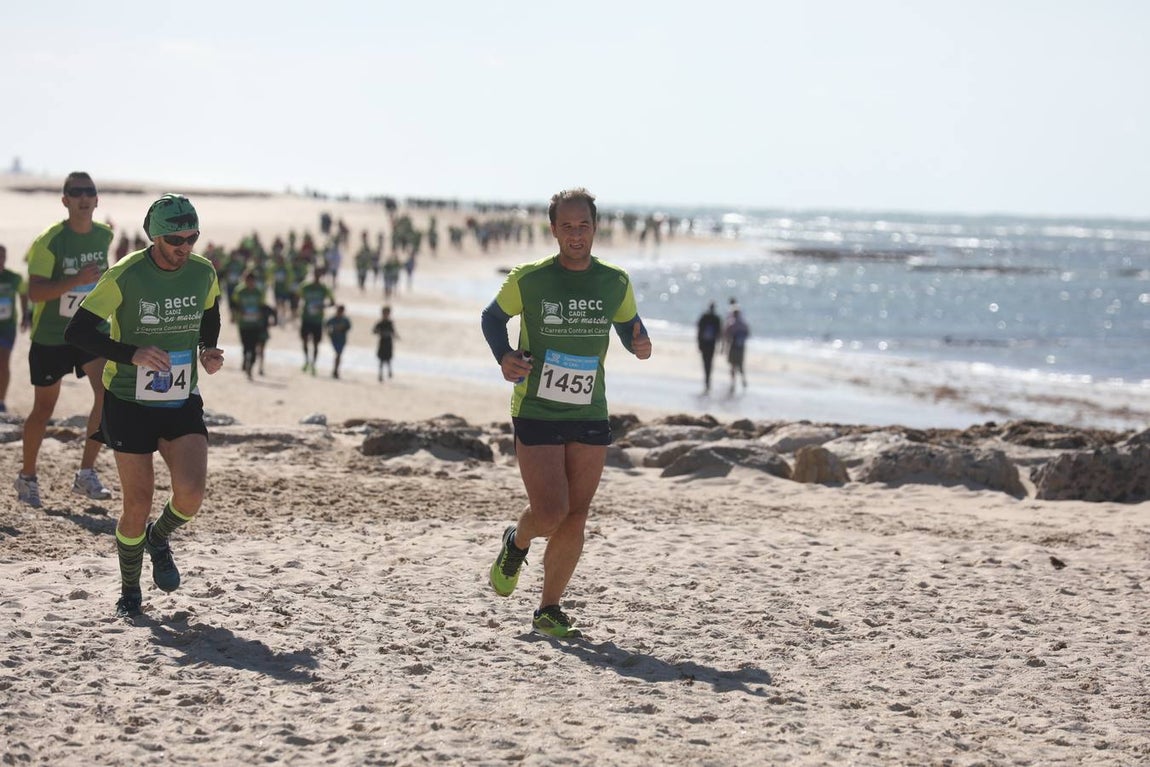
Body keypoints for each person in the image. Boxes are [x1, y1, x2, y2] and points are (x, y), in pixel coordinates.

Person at [480, 187, 652, 639]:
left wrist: (640, 341)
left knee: (577, 513)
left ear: (595, 228)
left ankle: (548, 609)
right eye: (567, 226)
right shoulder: (530, 279)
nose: (576, 235)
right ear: (554, 229)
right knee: (551, 511)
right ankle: (516, 542)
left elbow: (627, 323)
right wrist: (504, 356)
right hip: (536, 405)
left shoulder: (615, 281)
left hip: (589, 407)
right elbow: (491, 318)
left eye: (584, 225)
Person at [64, 193, 224, 618]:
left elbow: (210, 312)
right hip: (129, 402)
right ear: (155, 236)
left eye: (192, 237)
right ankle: (130, 589)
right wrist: (129, 353)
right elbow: (78, 331)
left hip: (180, 397)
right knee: (137, 504)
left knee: (190, 494)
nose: (184, 247)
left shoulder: (203, 271)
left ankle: (158, 538)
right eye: (175, 238)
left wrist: (208, 349)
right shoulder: (126, 274)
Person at [15, 171, 114, 508]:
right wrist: (75, 280)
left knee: (107, 392)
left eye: (90, 191)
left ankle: (86, 473)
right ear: (65, 200)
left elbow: (103, 280)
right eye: (76, 192)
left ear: (97, 199)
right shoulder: (49, 241)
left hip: (89, 330)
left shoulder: (104, 236)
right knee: (43, 409)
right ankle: (27, 476)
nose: (84, 197)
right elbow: (36, 293)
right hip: (52, 335)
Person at [0, 245, 31, 413]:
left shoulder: (13, 278)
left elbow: (23, 294)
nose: (0, 260)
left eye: (2, 256)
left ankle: (1, 401)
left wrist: (25, 314)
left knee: (3, 363)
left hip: (7, 327)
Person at [296, 267, 334, 374]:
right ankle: (306, 360)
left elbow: (332, 302)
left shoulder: (324, 288)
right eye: (316, 274)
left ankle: (313, 364)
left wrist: (322, 306)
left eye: (319, 274)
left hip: (317, 320)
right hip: (306, 318)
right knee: (304, 341)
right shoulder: (305, 286)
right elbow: (297, 296)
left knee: (316, 344)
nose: (317, 276)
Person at [232, 270, 265, 380]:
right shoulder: (239, 291)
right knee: (246, 346)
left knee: (254, 347)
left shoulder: (259, 292)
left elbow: (262, 307)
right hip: (243, 324)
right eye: (247, 281)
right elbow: (234, 304)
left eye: (252, 281)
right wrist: (238, 312)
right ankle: (245, 360)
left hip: (255, 325)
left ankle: (250, 367)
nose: (250, 283)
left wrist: (260, 314)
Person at [722, 308, 750, 393]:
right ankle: (743, 380)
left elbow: (726, 335)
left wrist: (724, 347)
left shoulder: (732, 323)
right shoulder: (743, 324)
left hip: (733, 347)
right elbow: (747, 334)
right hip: (741, 348)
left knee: (733, 366)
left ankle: (733, 382)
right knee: (740, 365)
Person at [696, 301, 722, 393]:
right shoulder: (715, 318)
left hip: (707, 344)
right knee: (708, 363)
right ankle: (707, 380)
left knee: (707, 362)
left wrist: (699, 343)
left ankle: (707, 380)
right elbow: (719, 333)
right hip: (709, 344)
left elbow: (699, 331)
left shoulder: (707, 317)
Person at [372, 305, 399, 382]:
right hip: (382, 341)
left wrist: (395, 336)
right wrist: (380, 332)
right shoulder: (380, 322)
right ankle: (380, 374)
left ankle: (389, 371)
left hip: (388, 341)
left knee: (388, 358)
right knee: (381, 359)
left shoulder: (390, 322)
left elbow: (393, 331)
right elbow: (374, 331)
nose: (386, 314)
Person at [324, 304, 351, 379]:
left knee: (338, 354)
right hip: (334, 339)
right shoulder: (333, 319)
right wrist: (329, 333)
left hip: (342, 339)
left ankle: (335, 370)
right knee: (338, 354)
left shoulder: (345, 320)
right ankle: (335, 370)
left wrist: (341, 328)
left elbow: (348, 328)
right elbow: (326, 325)